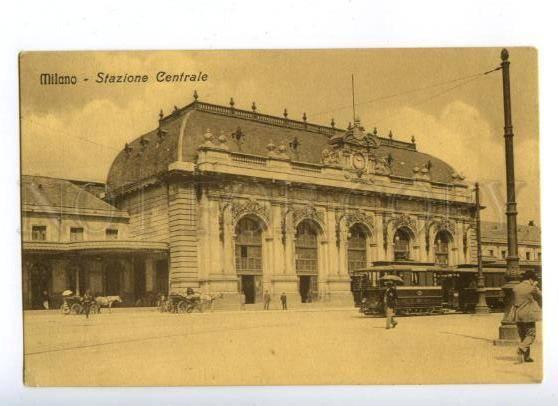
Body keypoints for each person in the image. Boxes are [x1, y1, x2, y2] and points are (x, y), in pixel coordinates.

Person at [512, 270, 542, 363]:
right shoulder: (532, 287)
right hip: (528, 314)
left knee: (523, 336)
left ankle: (526, 357)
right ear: (530, 279)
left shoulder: (516, 288)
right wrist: (536, 286)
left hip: (518, 315)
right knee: (531, 335)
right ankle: (521, 348)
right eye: (534, 280)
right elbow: (541, 295)